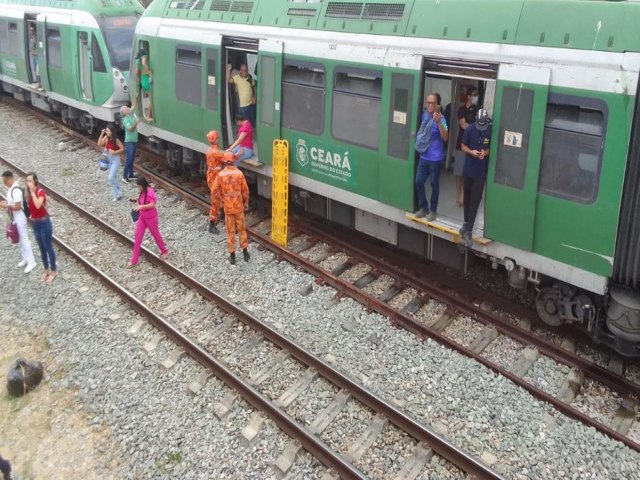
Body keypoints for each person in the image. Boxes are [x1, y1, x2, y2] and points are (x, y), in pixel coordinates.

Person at [460, 109, 492, 247]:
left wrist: (484, 153)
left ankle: (469, 230)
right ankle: (466, 223)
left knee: (475, 201)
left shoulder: (489, 131)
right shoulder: (469, 130)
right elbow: (462, 146)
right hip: (468, 171)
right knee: (466, 199)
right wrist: (471, 151)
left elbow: (491, 148)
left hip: (480, 173)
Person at [211, 152, 250, 264]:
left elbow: (214, 191)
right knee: (242, 229)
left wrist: (221, 200)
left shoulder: (221, 175)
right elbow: (245, 191)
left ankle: (232, 257)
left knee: (230, 231)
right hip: (238, 207)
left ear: (224, 161)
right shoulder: (239, 173)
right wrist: (246, 202)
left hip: (228, 208)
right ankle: (245, 254)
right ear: (233, 160)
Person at [414, 93, 449, 222]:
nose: (429, 105)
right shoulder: (423, 115)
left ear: (437, 105)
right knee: (418, 181)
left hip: (435, 158)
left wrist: (439, 122)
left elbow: (445, 137)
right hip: (424, 156)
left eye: (432, 103)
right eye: (428, 102)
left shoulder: (443, 119)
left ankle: (433, 210)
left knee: (434, 185)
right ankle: (424, 208)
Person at [1, 170, 36, 273]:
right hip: (15, 217)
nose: (4, 183)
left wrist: (5, 205)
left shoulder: (16, 190)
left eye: (4, 181)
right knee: (20, 238)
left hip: (20, 217)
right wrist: (6, 203)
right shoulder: (12, 189)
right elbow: (13, 202)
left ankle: (32, 261)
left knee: (24, 238)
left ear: (9, 179)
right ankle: (25, 258)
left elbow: (17, 206)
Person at [128, 177, 168, 267]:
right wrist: (136, 200)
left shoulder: (150, 191)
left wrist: (141, 207)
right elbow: (143, 200)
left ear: (142, 185)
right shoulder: (143, 191)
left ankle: (164, 251)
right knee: (137, 236)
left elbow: (152, 204)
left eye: (139, 187)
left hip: (151, 218)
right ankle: (134, 260)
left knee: (155, 234)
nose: (138, 189)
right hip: (143, 217)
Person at [25, 172, 57, 282]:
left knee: (48, 247)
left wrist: (33, 193)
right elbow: (31, 208)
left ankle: (53, 270)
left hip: (44, 223)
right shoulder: (29, 194)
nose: (28, 183)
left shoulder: (40, 192)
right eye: (27, 181)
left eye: (30, 180)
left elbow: (39, 205)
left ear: (35, 181)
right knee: (41, 248)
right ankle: (46, 269)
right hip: (35, 224)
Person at [454, 87, 479, 207]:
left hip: (472, 146)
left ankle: (463, 196)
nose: (476, 97)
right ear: (469, 96)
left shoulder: (477, 110)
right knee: (458, 172)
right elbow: (463, 125)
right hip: (461, 144)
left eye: (477, 95)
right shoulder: (461, 110)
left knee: (466, 173)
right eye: (474, 95)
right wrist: (474, 128)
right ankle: (458, 195)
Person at [98, 124, 124, 201]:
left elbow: (122, 149)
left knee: (110, 177)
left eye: (108, 131)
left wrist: (115, 152)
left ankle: (117, 192)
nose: (107, 132)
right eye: (106, 131)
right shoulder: (106, 138)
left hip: (115, 159)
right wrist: (102, 134)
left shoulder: (116, 140)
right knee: (113, 177)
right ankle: (117, 193)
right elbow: (99, 144)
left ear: (112, 131)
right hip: (109, 159)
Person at [205, 130, 224, 234]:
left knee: (220, 198)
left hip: (212, 177)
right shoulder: (216, 152)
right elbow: (225, 158)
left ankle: (223, 216)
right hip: (215, 179)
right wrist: (237, 154)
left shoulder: (210, 150)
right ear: (216, 139)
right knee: (215, 202)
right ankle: (211, 225)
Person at [120, 105, 140, 183]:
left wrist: (136, 94)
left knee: (132, 159)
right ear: (124, 112)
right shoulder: (125, 119)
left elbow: (134, 104)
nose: (128, 108)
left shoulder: (130, 114)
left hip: (134, 141)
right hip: (129, 142)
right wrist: (136, 122)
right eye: (126, 108)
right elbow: (130, 129)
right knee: (128, 159)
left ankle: (131, 175)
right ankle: (124, 177)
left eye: (127, 107)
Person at [134, 49, 153, 121]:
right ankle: (148, 116)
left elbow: (136, 73)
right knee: (150, 99)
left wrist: (138, 81)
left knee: (149, 98)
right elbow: (144, 63)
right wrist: (149, 72)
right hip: (147, 80)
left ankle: (149, 115)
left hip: (143, 81)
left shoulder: (137, 61)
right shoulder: (144, 56)